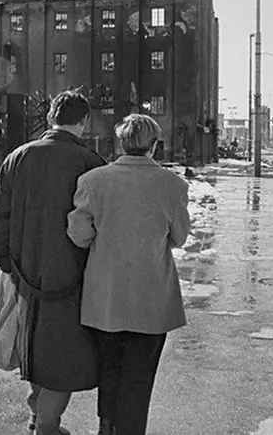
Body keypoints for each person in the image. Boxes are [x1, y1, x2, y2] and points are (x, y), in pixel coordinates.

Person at [0, 90, 106, 435]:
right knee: (63, 355)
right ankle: (47, 426)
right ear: (84, 121)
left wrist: (6, 263)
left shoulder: (16, 158)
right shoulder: (90, 163)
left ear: (50, 117)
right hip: (73, 276)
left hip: (24, 273)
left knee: (35, 350)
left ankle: (36, 418)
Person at [67, 114, 191, 435]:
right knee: (139, 377)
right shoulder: (173, 186)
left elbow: (79, 234)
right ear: (154, 145)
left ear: (121, 142)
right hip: (151, 301)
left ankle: (107, 427)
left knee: (109, 369)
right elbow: (179, 238)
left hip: (105, 298)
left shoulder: (93, 181)